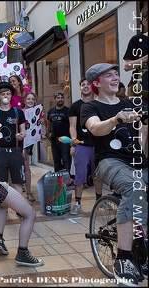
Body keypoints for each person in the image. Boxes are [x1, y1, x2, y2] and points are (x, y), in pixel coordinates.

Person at [80, 63, 148, 286]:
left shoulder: (130, 103)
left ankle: (141, 244)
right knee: (134, 187)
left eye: (116, 74)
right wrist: (116, 119)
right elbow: (96, 129)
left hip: (136, 159)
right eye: (108, 75)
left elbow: (142, 130)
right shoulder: (90, 108)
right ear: (96, 84)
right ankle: (124, 259)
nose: (115, 77)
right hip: (109, 161)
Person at [0, 81, 27, 224]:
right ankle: (3, 211)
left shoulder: (18, 112)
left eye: (8, 93)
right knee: (2, 184)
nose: (6, 95)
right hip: (0, 151)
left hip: (15, 151)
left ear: (11, 95)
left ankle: (20, 209)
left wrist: (21, 136)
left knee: (17, 183)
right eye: (3, 93)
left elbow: (23, 131)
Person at [68, 78, 104, 215]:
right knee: (79, 176)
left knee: (98, 175)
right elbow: (72, 126)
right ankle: (77, 203)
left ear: (93, 86)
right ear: (80, 88)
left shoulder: (99, 104)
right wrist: (73, 140)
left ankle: (99, 200)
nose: (85, 86)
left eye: (88, 84)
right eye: (82, 84)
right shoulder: (75, 106)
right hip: (82, 145)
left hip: (98, 145)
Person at [123, 6, 148, 157]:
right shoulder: (137, 39)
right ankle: (140, 160)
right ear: (144, 21)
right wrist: (145, 58)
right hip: (139, 88)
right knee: (144, 128)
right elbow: (126, 66)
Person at [22, 92, 42, 202]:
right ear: (24, 100)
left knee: (26, 166)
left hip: (29, 142)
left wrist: (41, 121)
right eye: (28, 99)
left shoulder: (37, 112)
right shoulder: (20, 112)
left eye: (32, 99)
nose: (30, 101)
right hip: (20, 141)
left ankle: (29, 192)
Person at [46, 92, 72, 173]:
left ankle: (67, 179)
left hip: (65, 139)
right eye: (58, 98)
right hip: (54, 139)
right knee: (56, 161)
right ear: (54, 99)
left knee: (66, 159)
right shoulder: (51, 112)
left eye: (61, 97)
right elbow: (48, 124)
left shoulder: (68, 110)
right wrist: (48, 135)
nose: (60, 99)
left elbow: (72, 125)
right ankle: (58, 180)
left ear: (64, 99)